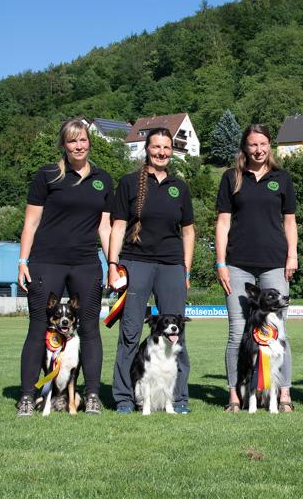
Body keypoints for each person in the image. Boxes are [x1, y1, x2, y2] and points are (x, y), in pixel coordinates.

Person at [16, 118, 113, 417]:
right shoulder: (47, 175)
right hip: (47, 260)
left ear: (89, 141)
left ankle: (92, 395)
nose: (78, 145)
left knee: (90, 329)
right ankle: (27, 398)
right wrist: (23, 260)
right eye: (72, 141)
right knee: (37, 330)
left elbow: (106, 227)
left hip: (86, 263)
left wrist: (112, 265)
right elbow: (31, 222)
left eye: (82, 139)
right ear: (64, 145)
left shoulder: (103, 178)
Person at [107, 128, 195, 414]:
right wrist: (112, 264)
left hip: (171, 265)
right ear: (147, 148)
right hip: (135, 263)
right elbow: (118, 226)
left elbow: (189, 232)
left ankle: (178, 399)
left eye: (166, 147)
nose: (161, 152)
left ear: (172, 150)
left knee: (176, 334)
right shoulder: (129, 183)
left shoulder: (179, 187)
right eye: (156, 147)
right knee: (131, 332)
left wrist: (186, 269)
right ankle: (124, 397)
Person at [215, 124, 298, 413]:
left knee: (279, 330)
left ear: (269, 146)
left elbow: (290, 222)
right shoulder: (231, 178)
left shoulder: (282, 178)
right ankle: (235, 397)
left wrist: (292, 256)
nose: (258, 150)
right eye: (252, 145)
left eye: (263, 144)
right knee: (238, 332)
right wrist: (221, 263)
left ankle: (284, 395)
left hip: (275, 263)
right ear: (244, 147)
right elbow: (223, 223)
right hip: (237, 265)